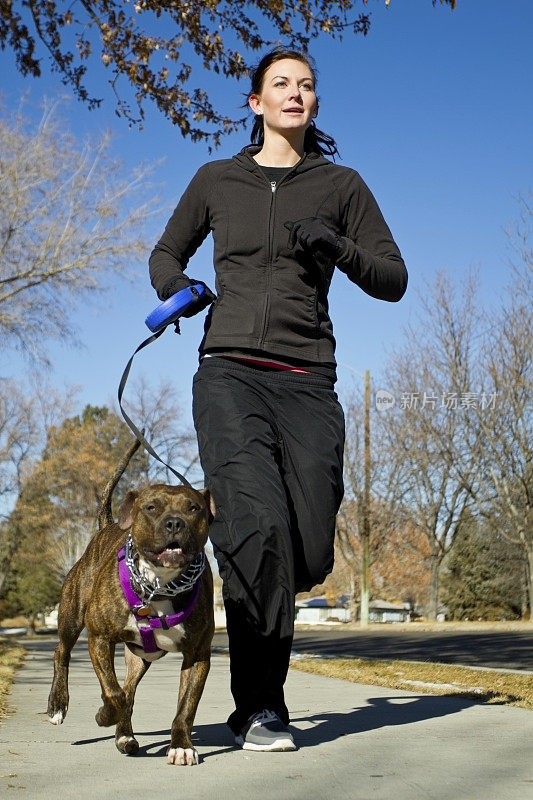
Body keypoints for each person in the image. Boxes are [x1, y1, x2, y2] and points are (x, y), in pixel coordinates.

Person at [149, 47, 407, 752]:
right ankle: (259, 707)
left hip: (306, 380)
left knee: (309, 547)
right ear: (255, 103)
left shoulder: (340, 185)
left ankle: (253, 588)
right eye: (281, 85)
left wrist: (336, 245)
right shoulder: (216, 180)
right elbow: (165, 254)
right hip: (228, 370)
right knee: (253, 528)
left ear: (314, 104)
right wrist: (180, 293)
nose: (296, 94)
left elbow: (392, 277)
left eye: (307, 86)